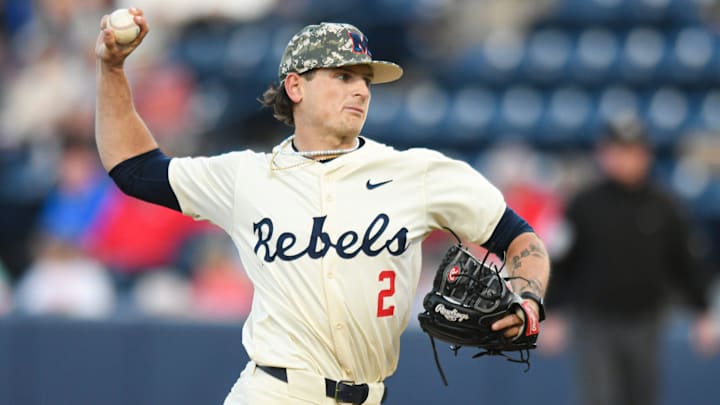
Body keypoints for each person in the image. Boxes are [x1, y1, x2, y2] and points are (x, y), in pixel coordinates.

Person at [95, 9, 551, 405]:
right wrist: (112, 70)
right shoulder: (246, 177)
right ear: (296, 86)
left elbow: (519, 239)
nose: (361, 91)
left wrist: (529, 297)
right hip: (274, 392)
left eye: (365, 79)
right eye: (343, 76)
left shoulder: (419, 173)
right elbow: (133, 169)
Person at [543, 114, 719, 405]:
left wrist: (702, 311)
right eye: (616, 150)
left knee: (643, 397)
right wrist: (551, 311)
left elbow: (687, 261)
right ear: (603, 154)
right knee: (600, 397)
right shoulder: (583, 204)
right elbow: (560, 261)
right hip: (594, 321)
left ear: (645, 154)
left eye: (631, 150)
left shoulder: (665, 205)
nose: (624, 159)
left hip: (647, 320)